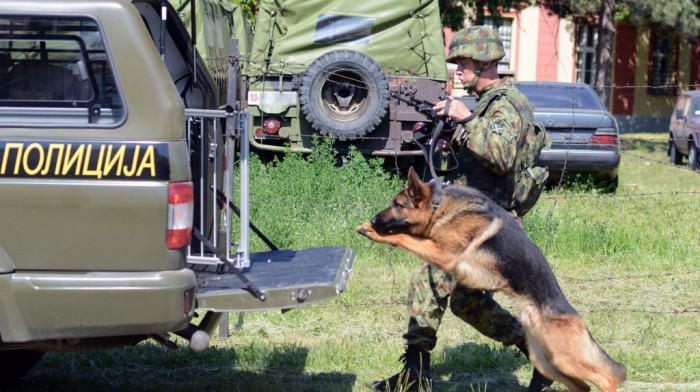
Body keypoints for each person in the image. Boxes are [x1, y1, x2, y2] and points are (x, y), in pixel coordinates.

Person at [370, 26, 553, 392]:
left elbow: (500, 157)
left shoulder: (508, 103)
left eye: (463, 63)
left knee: (429, 279)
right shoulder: (488, 103)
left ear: (485, 61)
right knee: (466, 303)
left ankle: (414, 376)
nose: (457, 70)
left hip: (491, 227)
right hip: (480, 221)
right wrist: (448, 126)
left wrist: (465, 118)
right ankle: (541, 356)